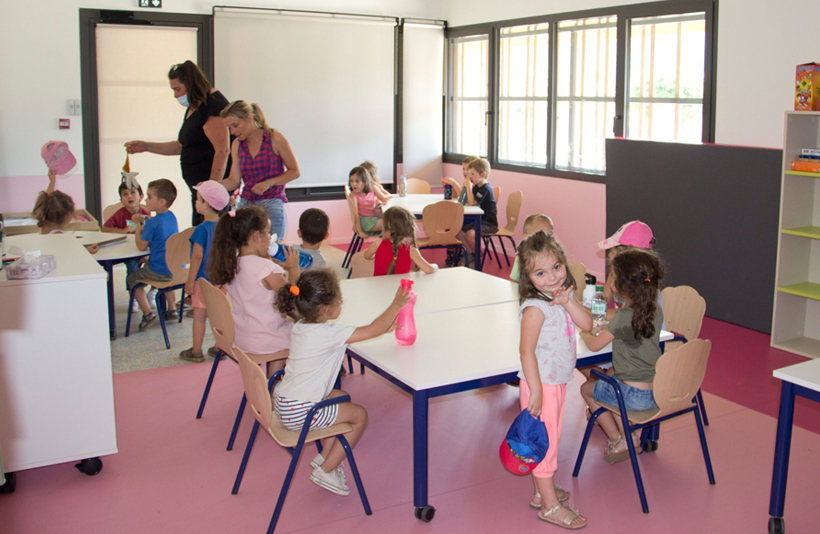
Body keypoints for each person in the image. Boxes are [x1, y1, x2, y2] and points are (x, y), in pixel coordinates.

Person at [273, 269, 411, 496]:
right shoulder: (328, 334)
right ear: (326, 309)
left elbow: (373, 330)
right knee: (359, 415)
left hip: (283, 402)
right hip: (300, 411)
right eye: (340, 300)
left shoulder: (301, 327)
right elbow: (373, 329)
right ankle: (327, 470)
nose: (342, 303)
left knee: (338, 396)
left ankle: (325, 456)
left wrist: (388, 324)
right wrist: (396, 304)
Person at [516, 230, 591, 529]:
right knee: (544, 445)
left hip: (557, 381)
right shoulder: (535, 308)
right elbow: (526, 351)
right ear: (528, 277)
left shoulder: (560, 296)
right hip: (541, 385)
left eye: (556, 267)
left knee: (550, 438)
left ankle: (539, 492)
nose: (552, 278)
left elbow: (586, 323)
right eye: (541, 272)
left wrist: (567, 300)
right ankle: (549, 506)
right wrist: (535, 391)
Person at [579, 248, 665, 465]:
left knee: (587, 389)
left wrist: (584, 332)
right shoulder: (655, 310)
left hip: (630, 395)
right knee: (612, 382)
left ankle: (619, 439)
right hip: (657, 390)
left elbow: (595, 345)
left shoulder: (622, 318)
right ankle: (630, 436)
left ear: (621, 286)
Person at [126, 61, 231, 226]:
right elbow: (182, 146)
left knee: (209, 239)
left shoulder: (212, 107)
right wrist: (146, 146)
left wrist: (210, 191)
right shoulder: (193, 108)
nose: (175, 95)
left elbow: (223, 151)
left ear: (191, 85)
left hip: (209, 196)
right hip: (198, 192)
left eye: (178, 89)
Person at [208, 205, 299, 374]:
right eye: (268, 233)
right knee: (308, 333)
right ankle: (274, 382)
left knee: (284, 329)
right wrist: (293, 270)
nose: (271, 239)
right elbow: (291, 296)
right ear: (257, 236)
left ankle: (271, 384)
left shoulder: (232, 263)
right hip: (266, 338)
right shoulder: (266, 268)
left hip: (241, 337)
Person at [220, 100, 300, 238]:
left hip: (272, 201)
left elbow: (294, 172)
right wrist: (212, 185)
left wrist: (269, 183)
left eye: (235, 125)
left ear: (249, 118)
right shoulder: (237, 145)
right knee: (240, 247)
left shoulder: (274, 138)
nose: (233, 132)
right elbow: (234, 180)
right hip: (247, 202)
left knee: (272, 248)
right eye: (229, 128)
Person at [179, 181, 230, 363]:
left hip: (203, 281)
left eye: (198, 199)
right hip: (221, 281)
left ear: (207, 204)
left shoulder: (201, 230)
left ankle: (196, 351)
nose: (196, 202)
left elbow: (197, 257)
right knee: (219, 315)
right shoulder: (226, 228)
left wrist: (189, 281)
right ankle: (219, 347)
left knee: (199, 317)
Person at [130, 179, 179, 331]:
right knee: (167, 281)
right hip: (173, 268)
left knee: (131, 280)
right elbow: (157, 223)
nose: (146, 200)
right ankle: (172, 309)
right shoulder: (171, 216)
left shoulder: (151, 224)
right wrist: (145, 219)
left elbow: (140, 246)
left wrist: (138, 229)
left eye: (150, 197)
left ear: (161, 202)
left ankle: (147, 313)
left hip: (158, 270)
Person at [33, 169, 99, 254]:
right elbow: (70, 254)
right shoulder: (59, 236)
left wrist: (52, 181)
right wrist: (86, 251)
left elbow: (48, 200)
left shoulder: (44, 227)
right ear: (67, 215)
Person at [363, 206, 438, 276]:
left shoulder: (378, 243)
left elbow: (366, 256)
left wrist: (379, 255)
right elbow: (429, 269)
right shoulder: (411, 250)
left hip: (378, 288)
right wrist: (435, 266)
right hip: (401, 289)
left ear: (386, 229)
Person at [455, 157, 498, 268]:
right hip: (478, 221)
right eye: (468, 174)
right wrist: (466, 188)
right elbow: (466, 200)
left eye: (472, 174)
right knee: (458, 232)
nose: (469, 176)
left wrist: (468, 186)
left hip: (488, 223)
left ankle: (477, 254)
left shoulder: (485, 188)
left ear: (483, 174)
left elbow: (473, 202)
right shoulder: (477, 187)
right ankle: (471, 255)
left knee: (470, 235)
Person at [509, 214, 554, 282]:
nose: (547, 240)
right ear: (526, 237)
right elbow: (516, 280)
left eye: (549, 236)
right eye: (541, 236)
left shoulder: (552, 255)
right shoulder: (522, 257)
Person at [349, 166, 389, 236]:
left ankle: (385, 243)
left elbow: (384, 199)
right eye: (351, 181)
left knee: (393, 221)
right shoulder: (353, 195)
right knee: (391, 223)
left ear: (365, 181)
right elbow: (356, 214)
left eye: (357, 181)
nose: (354, 184)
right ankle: (386, 244)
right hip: (364, 222)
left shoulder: (372, 188)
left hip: (373, 218)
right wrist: (360, 231)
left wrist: (381, 189)